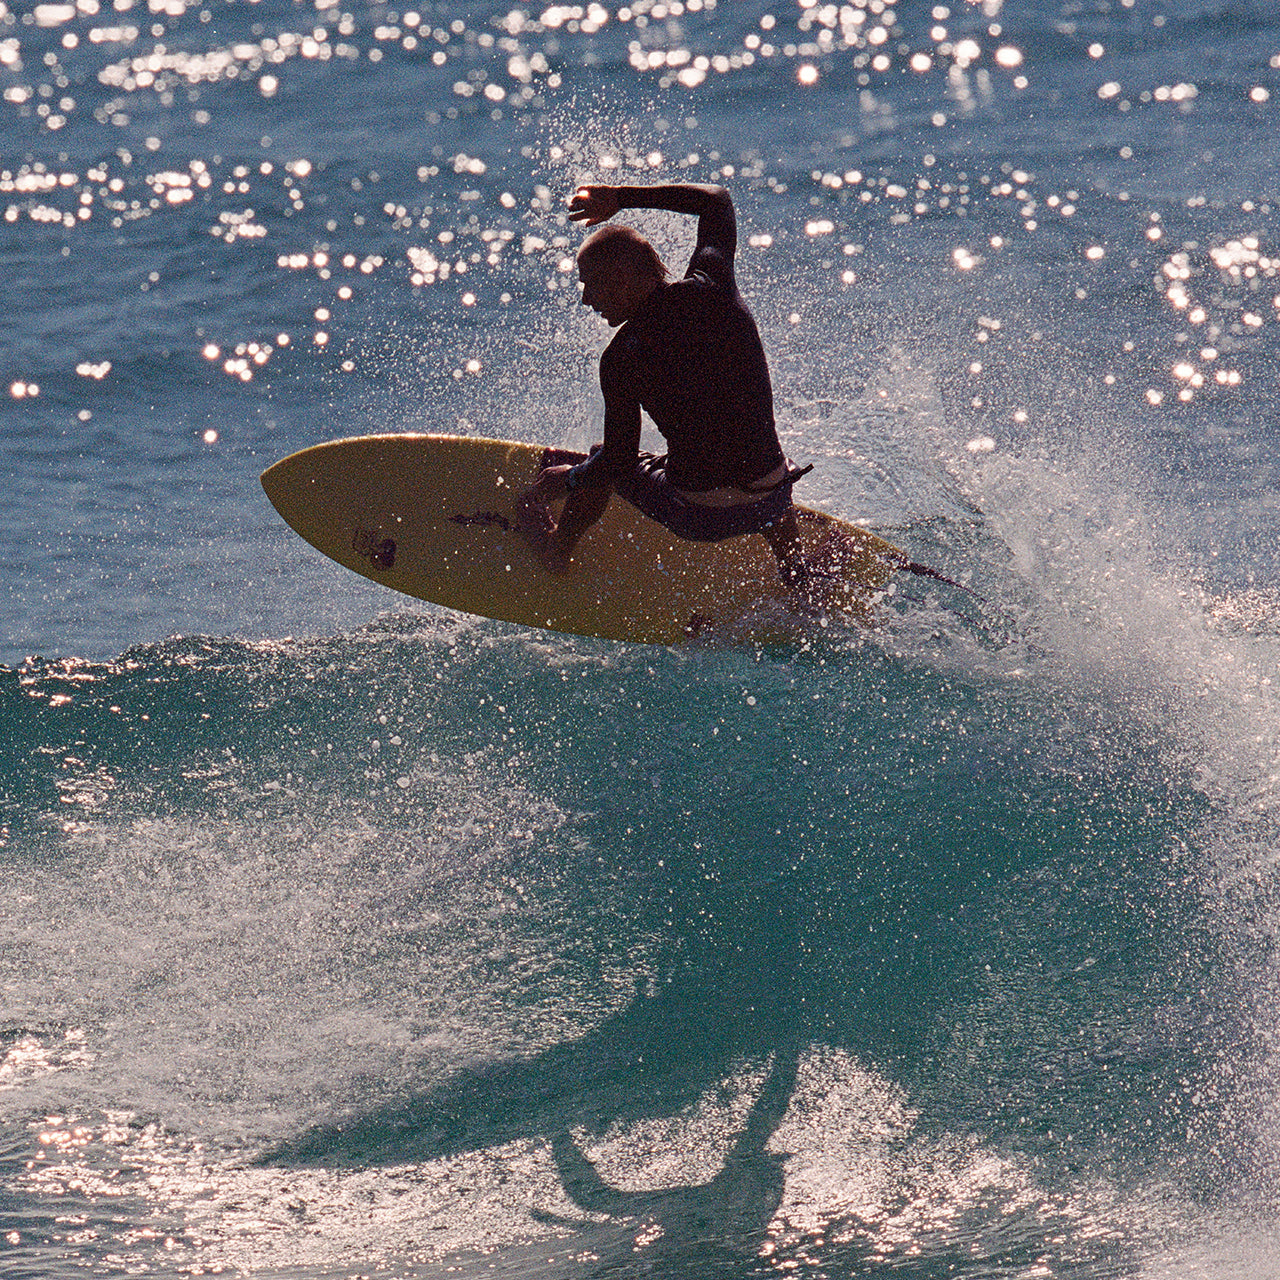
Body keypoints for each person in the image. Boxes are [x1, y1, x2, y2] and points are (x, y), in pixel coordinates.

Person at [518, 182, 811, 583]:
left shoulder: (620, 359)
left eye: (592, 284)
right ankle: (796, 569)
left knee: (600, 455)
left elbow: (618, 461)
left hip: (700, 516)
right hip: (770, 499)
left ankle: (557, 552)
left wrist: (571, 478)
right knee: (754, 446)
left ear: (624, 279)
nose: (587, 300)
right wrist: (621, 198)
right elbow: (715, 200)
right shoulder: (715, 289)